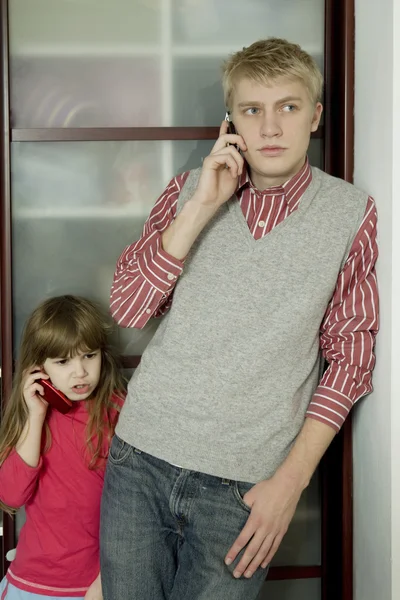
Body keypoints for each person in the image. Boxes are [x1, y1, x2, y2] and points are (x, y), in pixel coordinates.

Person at [101, 38, 379, 600]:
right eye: (253, 110)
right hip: (139, 462)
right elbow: (129, 309)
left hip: (245, 490)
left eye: (289, 107)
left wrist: (290, 482)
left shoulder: (351, 213)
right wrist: (203, 205)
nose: (271, 127)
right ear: (232, 123)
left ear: (315, 115)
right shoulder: (187, 193)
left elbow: (350, 358)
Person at [0, 295, 125, 600]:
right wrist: (36, 417)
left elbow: (138, 507)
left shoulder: (118, 412)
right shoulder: (34, 417)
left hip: (97, 584)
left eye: (89, 356)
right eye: (63, 361)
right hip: (34, 581)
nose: (80, 372)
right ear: (38, 368)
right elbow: (11, 495)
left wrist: (106, 577)